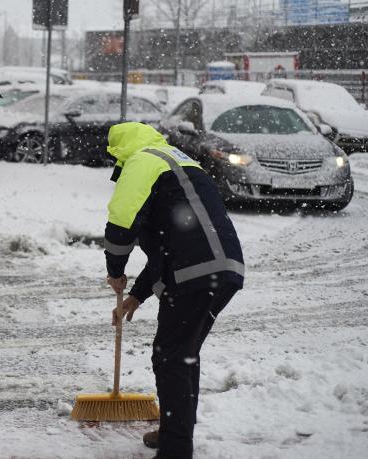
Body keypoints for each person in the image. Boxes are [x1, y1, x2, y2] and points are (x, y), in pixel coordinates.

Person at [103, 122, 244, 459]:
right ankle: (174, 435)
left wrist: (115, 271)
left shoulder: (143, 160)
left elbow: (122, 222)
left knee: (172, 357)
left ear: (120, 152)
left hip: (196, 272)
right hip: (221, 269)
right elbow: (170, 246)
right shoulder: (177, 161)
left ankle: (176, 447)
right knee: (182, 355)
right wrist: (136, 294)